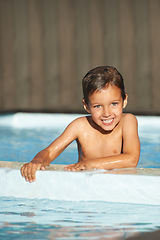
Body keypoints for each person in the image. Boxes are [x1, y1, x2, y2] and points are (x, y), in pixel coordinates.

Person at [21, 66, 140, 182]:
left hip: (119, 186)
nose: (106, 113)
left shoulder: (128, 122)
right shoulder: (80, 126)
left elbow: (131, 159)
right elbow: (50, 152)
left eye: (114, 104)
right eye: (97, 106)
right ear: (86, 106)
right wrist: (37, 161)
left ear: (124, 101)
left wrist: (91, 164)